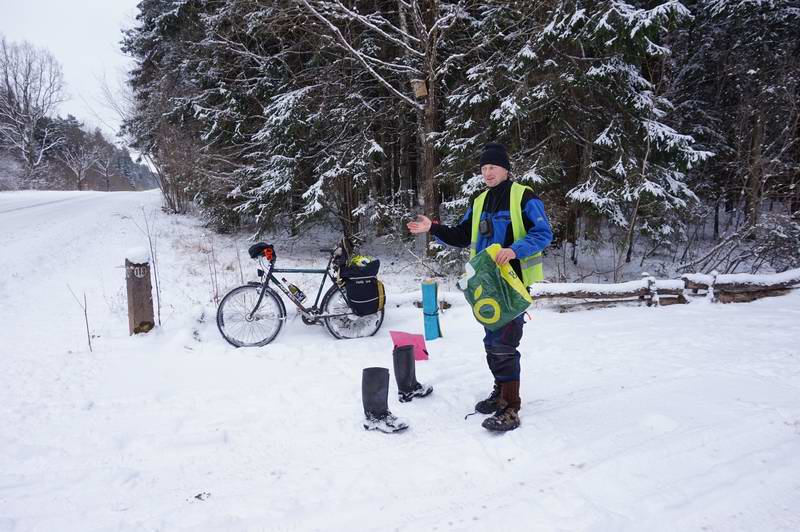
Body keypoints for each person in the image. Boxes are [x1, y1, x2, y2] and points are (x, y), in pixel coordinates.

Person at [407, 142, 553, 431]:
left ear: (505, 169)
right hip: (486, 285)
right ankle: (500, 392)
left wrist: (515, 249)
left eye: (492, 167)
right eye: (484, 168)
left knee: (503, 345)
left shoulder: (524, 197)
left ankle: (510, 408)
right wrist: (432, 228)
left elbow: (543, 232)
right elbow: (462, 235)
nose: (487, 173)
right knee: (491, 342)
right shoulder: (479, 201)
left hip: (512, 284)